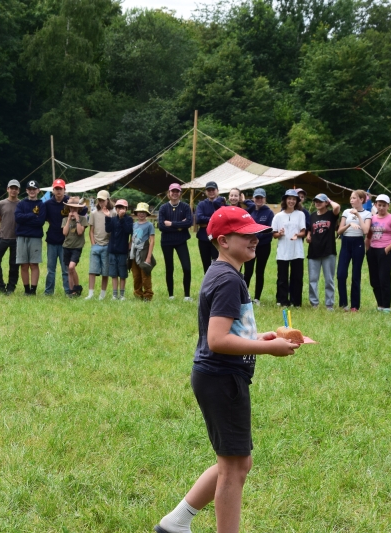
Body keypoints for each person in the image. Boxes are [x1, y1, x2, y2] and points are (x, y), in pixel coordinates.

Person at [153, 206, 297, 533]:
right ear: (223, 241)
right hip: (222, 379)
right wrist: (269, 348)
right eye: (245, 235)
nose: (255, 239)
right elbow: (217, 340)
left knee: (236, 463)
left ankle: (175, 523)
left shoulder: (222, 272)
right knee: (234, 468)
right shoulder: (229, 279)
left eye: (255, 233)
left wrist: (260, 337)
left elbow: (226, 332)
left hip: (217, 377)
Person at [365, 194, 391, 313]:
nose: (381, 207)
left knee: (384, 278)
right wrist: (368, 249)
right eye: (379, 205)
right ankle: (380, 304)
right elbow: (368, 235)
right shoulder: (372, 218)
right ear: (375, 205)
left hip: (386, 250)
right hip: (373, 250)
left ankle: (386, 306)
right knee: (374, 279)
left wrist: (387, 249)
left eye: (384, 205)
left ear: (388, 206)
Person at [336, 189, 372, 312]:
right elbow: (339, 231)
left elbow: (366, 231)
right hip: (346, 243)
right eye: (351, 198)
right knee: (341, 274)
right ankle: (343, 304)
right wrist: (349, 224)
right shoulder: (346, 212)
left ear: (361, 200)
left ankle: (354, 306)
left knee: (356, 275)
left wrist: (358, 215)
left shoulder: (367, 214)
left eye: (354, 198)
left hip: (358, 244)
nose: (351, 200)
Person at [158, 183, 193, 301]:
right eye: (172, 191)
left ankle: (187, 295)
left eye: (177, 191)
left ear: (180, 193)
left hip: (181, 241)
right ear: (169, 193)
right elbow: (161, 226)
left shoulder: (185, 207)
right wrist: (180, 226)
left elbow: (189, 222)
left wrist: (172, 223)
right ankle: (171, 295)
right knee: (169, 268)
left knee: (187, 267)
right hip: (166, 242)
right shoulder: (163, 208)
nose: (174, 193)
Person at [271, 189, 306, 307]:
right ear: (285, 200)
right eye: (289, 199)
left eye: (294, 199)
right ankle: (282, 300)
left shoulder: (300, 214)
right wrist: (280, 234)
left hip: (297, 251)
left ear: (297, 201)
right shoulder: (278, 216)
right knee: (282, 277)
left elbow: (303, 232)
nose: (291, 201)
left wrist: (297, 235)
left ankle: (296, 302)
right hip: (283, 251)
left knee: (297, 277)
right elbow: (274, 235)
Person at [306, 193, 340, 310]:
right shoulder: (312, 216)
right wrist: (308, 235)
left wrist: (329, 200)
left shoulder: (331, 214)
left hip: (328, 251)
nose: (317, 203)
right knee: (312, 279)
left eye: (320, 201)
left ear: (326, 203)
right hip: (314, 251)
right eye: (316, 201)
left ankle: (329, 304)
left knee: (329, 279)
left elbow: (337, 207)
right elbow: (309, 229)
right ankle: (314, 303)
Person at [14, 180, 47, 296]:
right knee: (23, 264)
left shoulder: (41, 205)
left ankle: (33, 289)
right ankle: (26, 289)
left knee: (34, 264)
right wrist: (32, 215)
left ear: (38, 190)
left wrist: (25, 219)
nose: (32, 191)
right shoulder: (21, 204)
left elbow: (40, 222)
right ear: (26, 191)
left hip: (35, 237)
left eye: (34, 189)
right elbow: (18, 218)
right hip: (22, 237)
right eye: (30, 189)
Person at [242, 188, 274, 303]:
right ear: (253, 198)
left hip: (263, 246)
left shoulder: (269, 213)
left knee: (260, 272)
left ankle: (257, 298)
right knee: (248, 272)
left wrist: (255, 237)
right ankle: (245, 297)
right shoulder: (250, 211)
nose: (259, 200)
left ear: (264, 199)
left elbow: (269, 230)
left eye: (261, 198)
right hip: (250, 246)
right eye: (257, 197)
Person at [0, 179, 21, 294]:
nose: (13, 190)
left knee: (14, 264)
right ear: (7, 189)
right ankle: (0, 285)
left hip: (17, 239)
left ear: (18, 191)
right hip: (3, 237)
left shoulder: (21, 204)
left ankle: (11, 287)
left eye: (16, 188)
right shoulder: (1, 204)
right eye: (11, 188)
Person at [86, 190, 113, 300]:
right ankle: (90, 293)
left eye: (103, 200)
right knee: (92, 270)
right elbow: (91, 230)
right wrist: (93, 243)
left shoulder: (113, 213)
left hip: (107, 245)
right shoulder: (94, 213)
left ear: (108, 200)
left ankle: (102, 294)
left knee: (105, 272)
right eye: (99, 200)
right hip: (96, 245)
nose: (101, 202)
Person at [105, 198, 133, 300]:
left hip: (123, 251)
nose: (120, 209)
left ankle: (122, 295)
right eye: (118, 207)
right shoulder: (113, 219)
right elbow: (107, 229)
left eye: (122, 207)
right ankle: (114, 294)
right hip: (112, 250)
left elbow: (128, 230)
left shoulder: (129, 219)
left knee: (122, 274)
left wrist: (121, 219)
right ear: (116, 209)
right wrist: (107, 217)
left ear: (126, 209)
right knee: (113, 274)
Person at [195, 181, 225, 273]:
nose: (211, 192)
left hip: (217, 239)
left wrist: (207, 222)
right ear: (206, 192)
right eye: (209, 190)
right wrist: (215, 219)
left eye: (213, 190)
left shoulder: (222, 204)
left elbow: (224, 219)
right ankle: (208, 282)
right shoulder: (201, 204)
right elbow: (199, 219)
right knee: (206, 265)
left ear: (217, 191)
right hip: (203, 238)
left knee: (218, 264)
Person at [62, 196, 89, 297]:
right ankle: (72, 291)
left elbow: (80, 232)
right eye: (71, 207)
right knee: (69, 270)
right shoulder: (65, 219)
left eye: (75, 208)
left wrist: (77, 219)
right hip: (67, 246)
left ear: (79, 209)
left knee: (71, 266)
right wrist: (69, 220)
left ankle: (77, 287)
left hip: (77, 247)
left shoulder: (83, 219)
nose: (73, 210)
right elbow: (64, 233)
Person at [130, 202, 155, 301]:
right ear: (136, 213)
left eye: (143, 212)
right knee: (136, 275)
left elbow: (152, 241)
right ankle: (138, 293)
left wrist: (148, 257)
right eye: (139, 212)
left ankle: (148, 294)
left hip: (144, 252)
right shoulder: (133, 225)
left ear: (147, 214)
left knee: (145, 274)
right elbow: (131, 239)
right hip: (134, 252)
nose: (141, 214)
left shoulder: (149, 225)